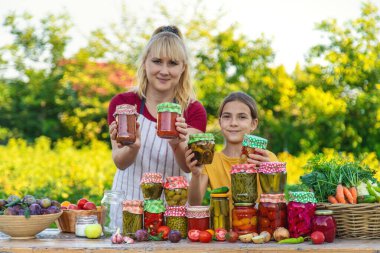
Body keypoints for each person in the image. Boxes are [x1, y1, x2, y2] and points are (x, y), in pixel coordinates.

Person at [108, 25, 207, 203]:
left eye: (173, 63)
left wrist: (178, 144)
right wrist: (133, 147)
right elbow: (120, 162)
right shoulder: (123, 104)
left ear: (183, 67)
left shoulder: (193, 110)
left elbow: (189, 166)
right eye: (157, 61)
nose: (164, 71)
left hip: (174, 213)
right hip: (129, 208)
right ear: (145, 62)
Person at [186, 91, 277, 208]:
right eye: (227, 117)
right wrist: (195, 174)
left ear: (253, 124)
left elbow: (277, 199)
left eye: (242, 117)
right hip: (222, 226)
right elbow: (195, 202)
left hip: (259, 225)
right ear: (220, 122)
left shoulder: (266, 158)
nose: (233, 123)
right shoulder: (211, 160)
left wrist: (269, 171)